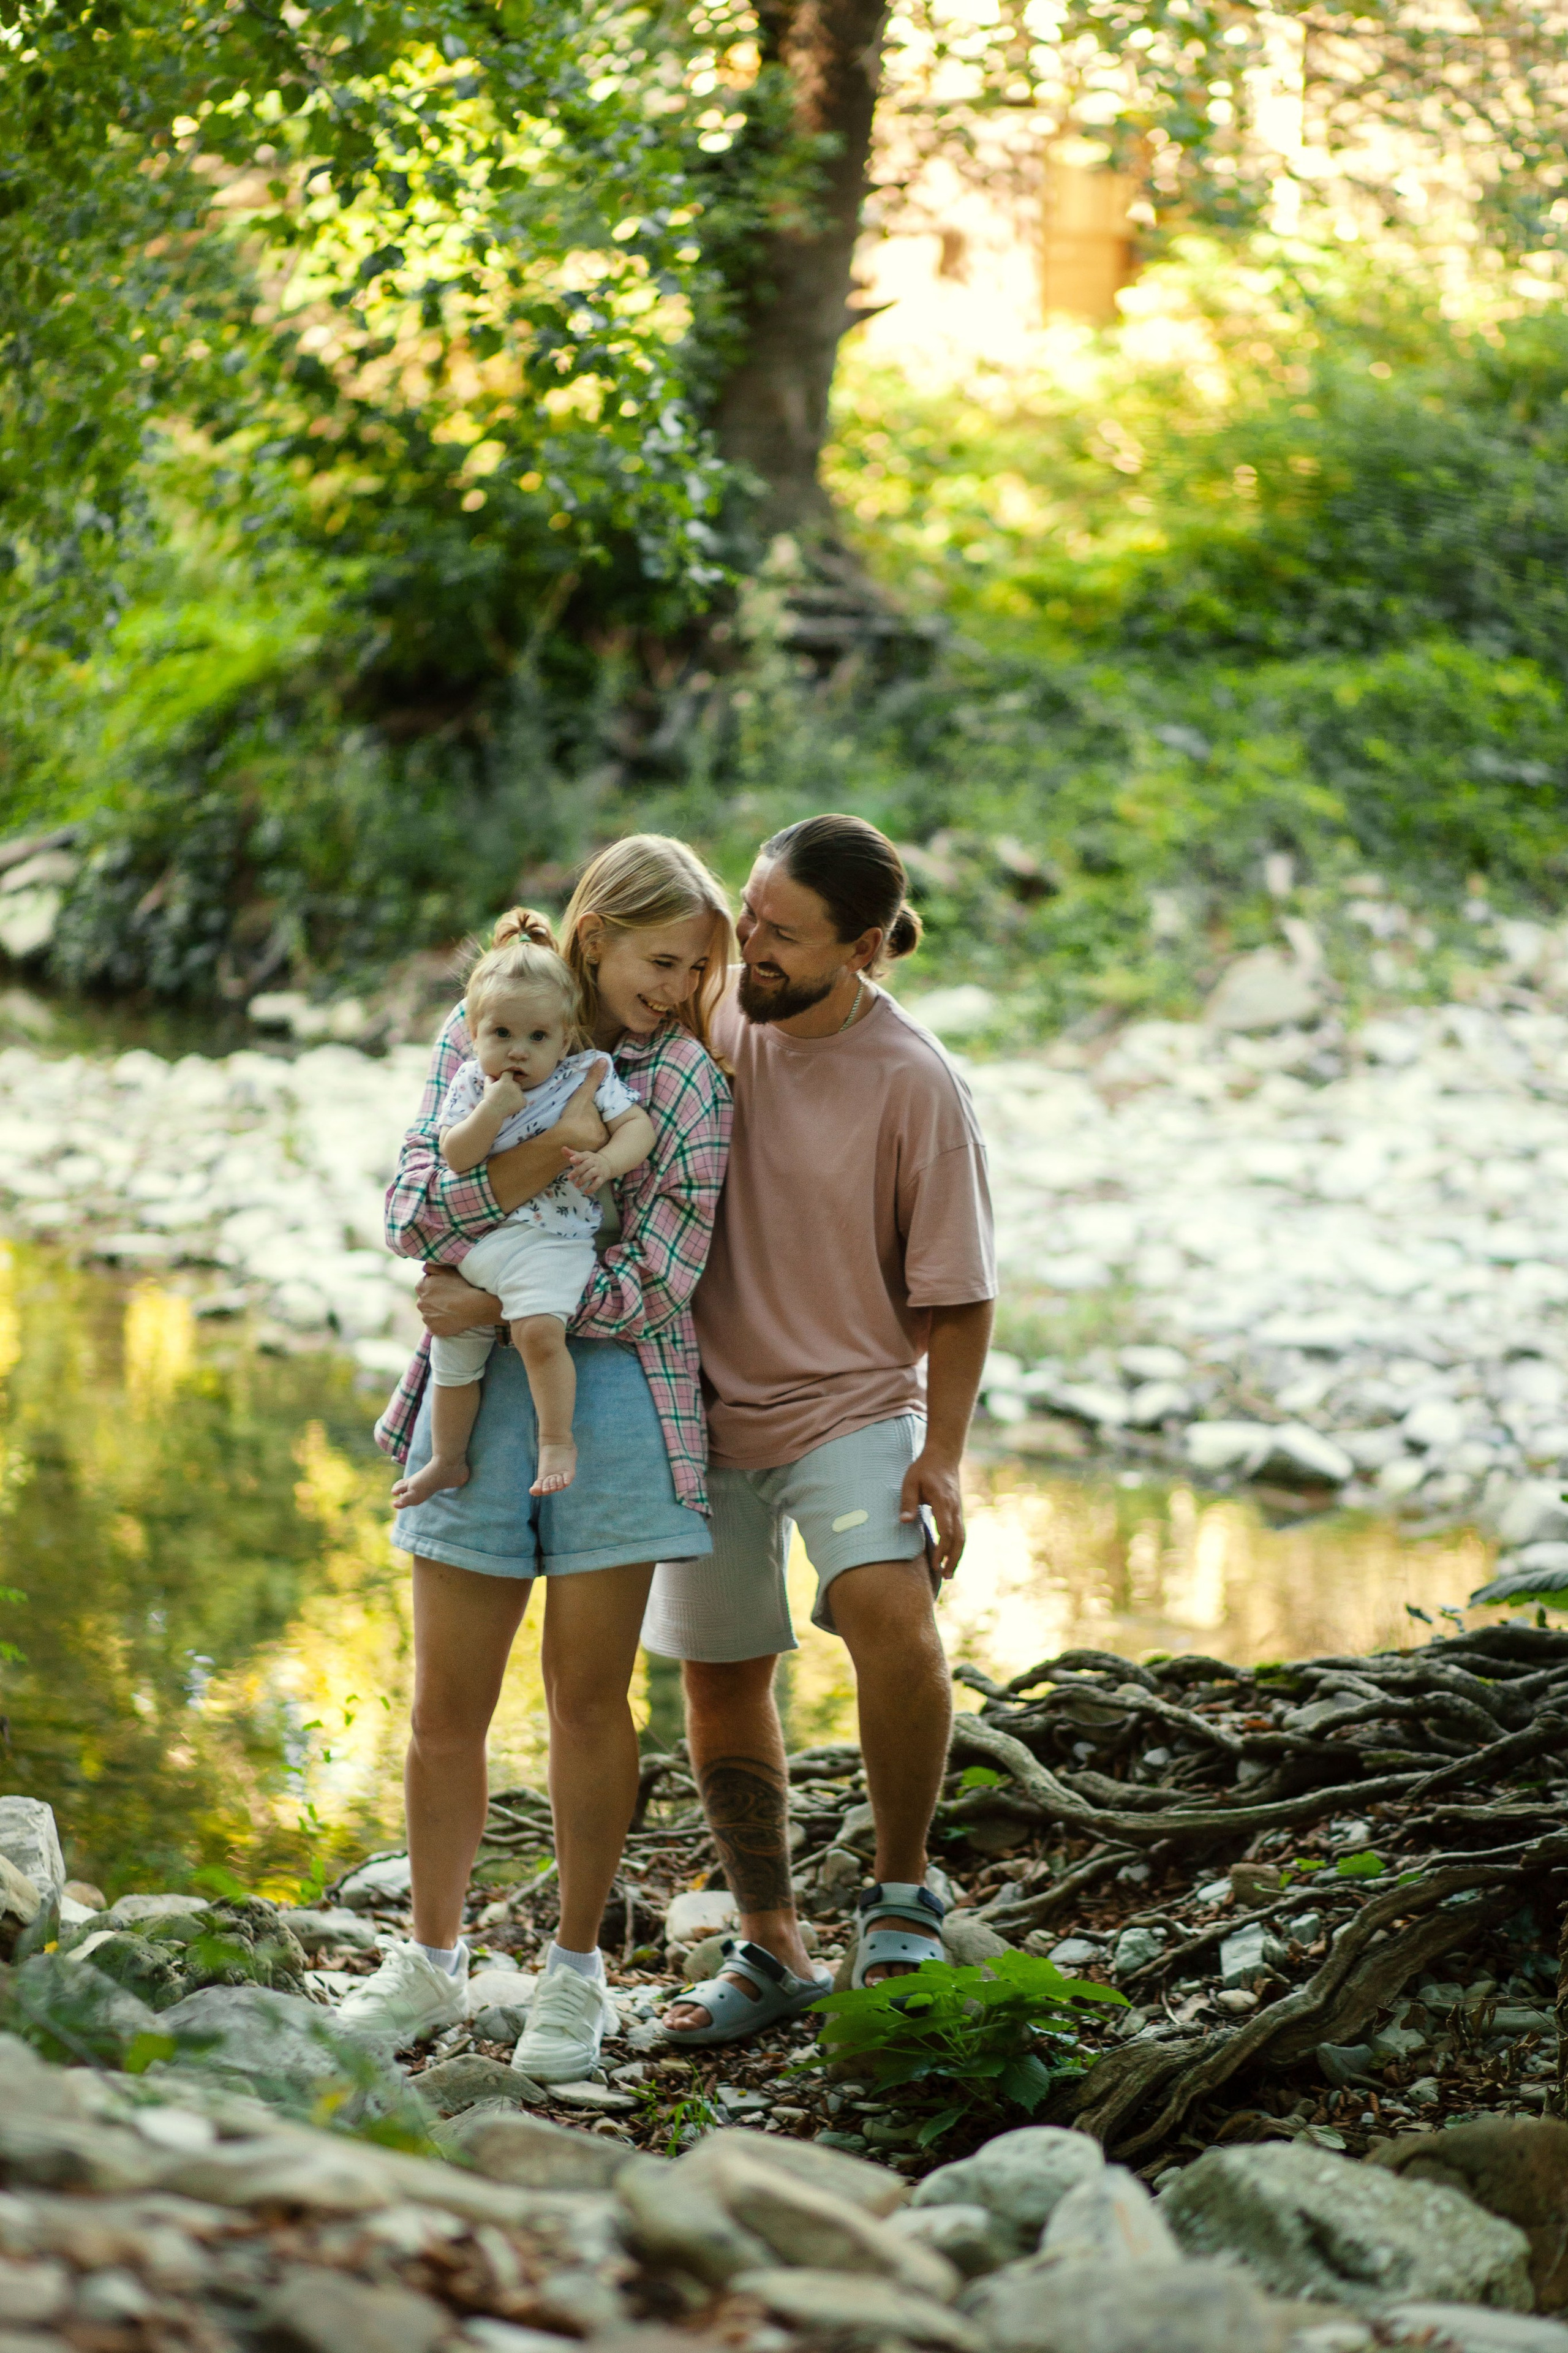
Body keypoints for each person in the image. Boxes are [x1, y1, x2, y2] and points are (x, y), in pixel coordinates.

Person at [342, 836, 734, 2085]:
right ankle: (429, 1957)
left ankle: (574, 1977)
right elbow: (411, 1209)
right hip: (471, 1400)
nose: (676, 986)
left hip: (616, 1401)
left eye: (696, 967)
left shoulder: (685, 1086)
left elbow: (663, 1275)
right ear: (594, 934)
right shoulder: (485, 1037)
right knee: (442, 1704)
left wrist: (505, 1297)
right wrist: (493, 1239)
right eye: (659, 958)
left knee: (584, 1698)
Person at [647, 812, 996, 2045]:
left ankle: (901, 1897)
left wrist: (939, 1456)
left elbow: (958, 1295)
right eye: (749, 913)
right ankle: (772, 1940)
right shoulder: (718, 1012)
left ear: (862, 949)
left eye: (780, 932)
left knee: (891, 1620)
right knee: (722, 1673)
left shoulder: (914, 1084)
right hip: (696, 1409)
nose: (750, 944)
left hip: (851, 1400)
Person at [390, 910, 655, 1509]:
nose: (517, 1051)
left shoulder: (583, 1076)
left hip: (551, 1242)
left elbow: (636, 1125)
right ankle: (447, 1459)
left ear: (564, 1039)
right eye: (501, 1034)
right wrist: (492, 1110)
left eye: (537, 1038)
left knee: (538, 1330)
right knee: (454, 1351)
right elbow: (455, 1157)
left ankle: (555, 1440)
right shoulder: (470, 1085)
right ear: (475, 1034)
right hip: (485, 1244)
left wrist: (609, 1161)